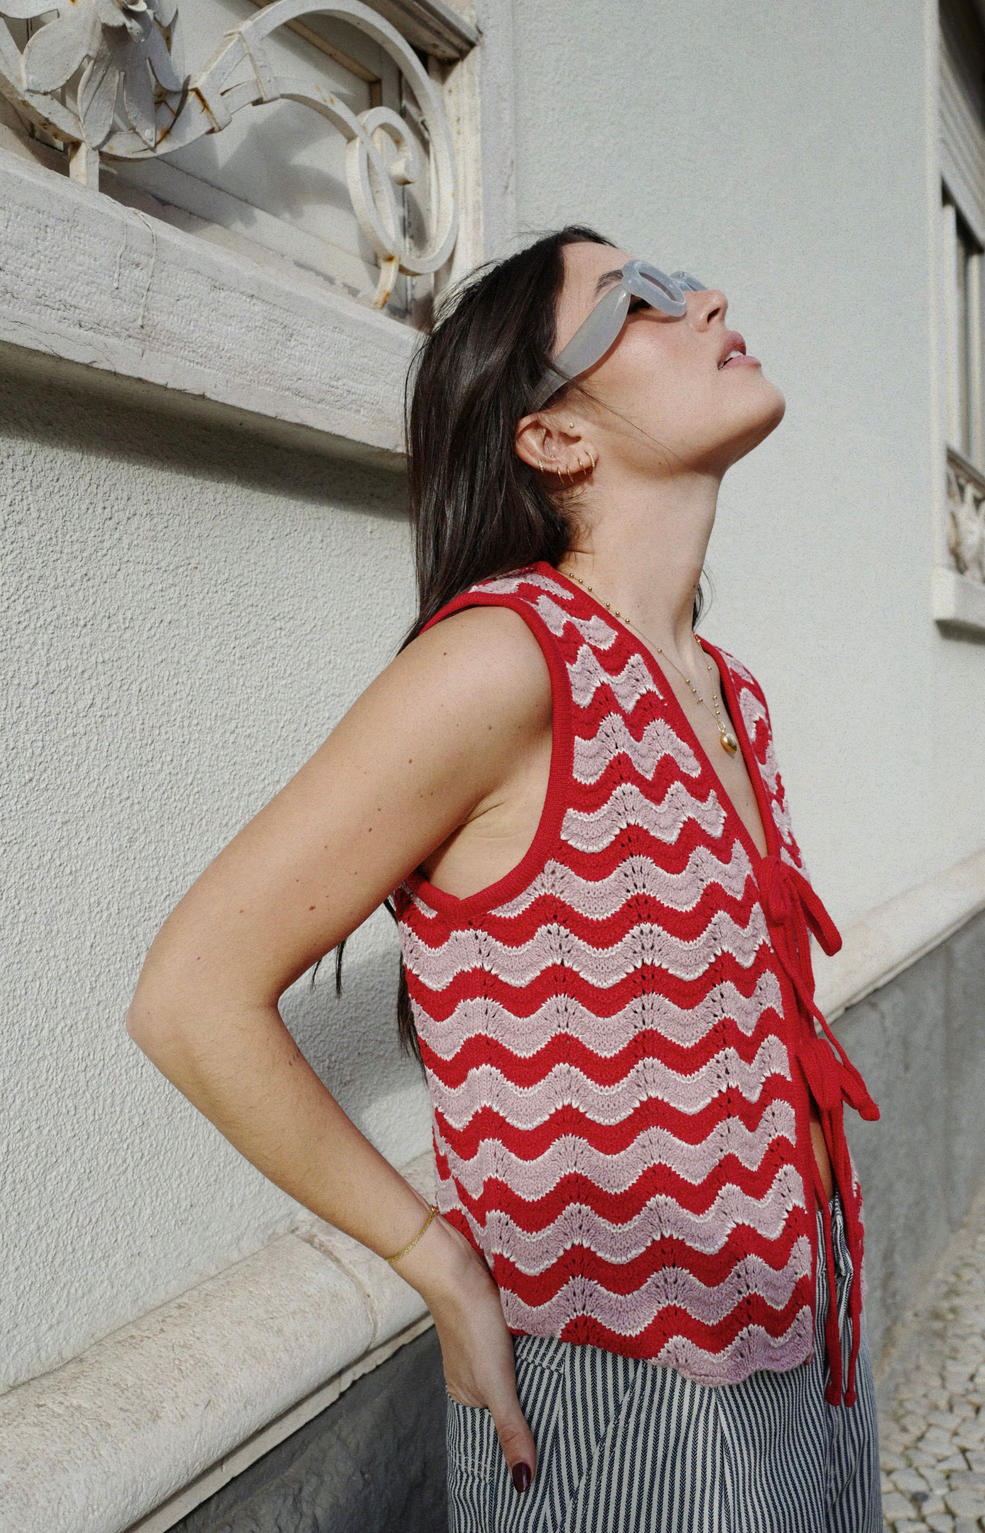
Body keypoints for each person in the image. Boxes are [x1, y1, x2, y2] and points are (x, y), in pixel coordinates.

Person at [127, 225, 883, 1532]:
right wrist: (437, 1264)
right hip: (626, 1385)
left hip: (800, 1330)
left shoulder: (721, 687)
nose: (707, 297)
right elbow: (191, 996)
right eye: (637, 300)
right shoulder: (506, 665)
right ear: (554, 438)